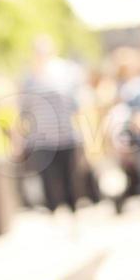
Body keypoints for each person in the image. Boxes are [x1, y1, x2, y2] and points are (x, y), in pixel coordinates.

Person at [17, 36, 86, 216]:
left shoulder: (65, 72)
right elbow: (23, 110)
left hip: (65, 135)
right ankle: (55, 213)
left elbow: (75, 104)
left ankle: (73, 213)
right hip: (41, 139)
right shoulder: (29, 78)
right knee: (48, 179)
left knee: (69, 177)